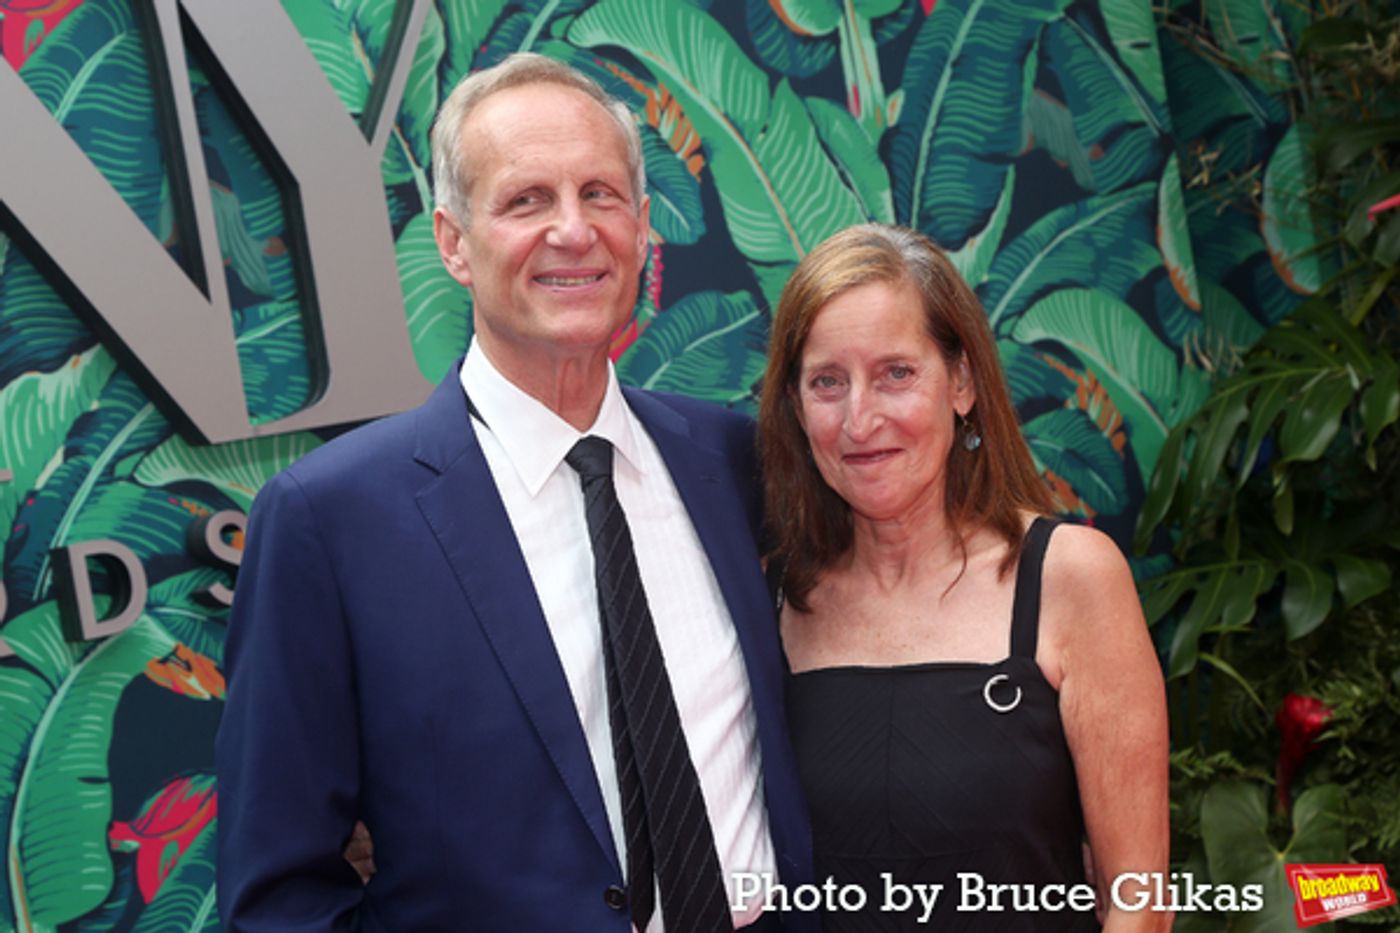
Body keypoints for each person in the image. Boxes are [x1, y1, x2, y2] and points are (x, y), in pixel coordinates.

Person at [217, 53, 815, 932]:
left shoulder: (734, 460)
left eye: (601, 195)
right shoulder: (329, 520)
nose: (573, 231)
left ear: (644, 226)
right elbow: (279, 895)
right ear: (454, 243)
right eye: (526, 200)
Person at [757, 224, 1170, 931]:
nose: (861, 418)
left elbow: (1140, 906)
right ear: (796, 406)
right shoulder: (769, 596)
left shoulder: (1071, 576)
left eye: (896, 372)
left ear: (962, 382)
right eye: (828, 381)